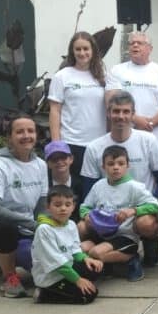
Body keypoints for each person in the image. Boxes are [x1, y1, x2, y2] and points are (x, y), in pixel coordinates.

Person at [80, 91, 158, 267]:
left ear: (133, 114)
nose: (121, 116)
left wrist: (145, 207)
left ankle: (148, 244)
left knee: (145, 223)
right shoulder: (94, 147)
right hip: (108, 212)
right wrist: (92, 216)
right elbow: (88, 189)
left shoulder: (147, 140)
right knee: (82, 226)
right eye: (116, 111)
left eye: (126, 112)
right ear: (108, 113)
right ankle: (108, 256)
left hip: (140, 209)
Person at [0, 116, 48, 298]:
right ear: (9, 138)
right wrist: (31, 224)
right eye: (19, 132)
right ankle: (9, 277)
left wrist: (45, 225)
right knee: (6, 227)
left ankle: (2, 258)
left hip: (24, 228)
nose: (26, 136)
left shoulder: (41, 165)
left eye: (30, 131)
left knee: (40, 261)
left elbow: (41, 205)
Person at [78, 145, 158, 282]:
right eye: (110, 164)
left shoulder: (135, 187)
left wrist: (134, 210)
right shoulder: (99, 186)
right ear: (103, 167)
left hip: (124, 236)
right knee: (81, 248)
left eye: (121, 163)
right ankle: (109, 266)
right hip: (102, 233)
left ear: (127, 165)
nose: (116, 167)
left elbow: (156, 206)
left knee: (94, 253)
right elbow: (84, 207)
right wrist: (87, 215)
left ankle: (130, 257)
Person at [47, 31, 110, 193]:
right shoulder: (62, 76)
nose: (82, 53)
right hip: (71, 143)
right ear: (72, 52)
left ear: (93, 50)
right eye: (78, 49)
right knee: (72, 191)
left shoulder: (103, 77)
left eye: (86, 49)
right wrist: (57, 144)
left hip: (98, 144)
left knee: (95, 189)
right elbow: (55, 110)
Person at [32, 185, 102, 305]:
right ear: (48, 207)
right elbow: (56, 263)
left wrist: (86, 258)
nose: (63, 208)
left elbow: (75, 250)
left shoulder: (70, 224)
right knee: (88, 295)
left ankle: (69, 284)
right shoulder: (44, 229)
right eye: (57, 205)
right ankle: (43, 294)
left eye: (67, 205)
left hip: (67, 266)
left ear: (73, 207)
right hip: (51, 276)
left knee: (95, 268)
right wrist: (78, 280)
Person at [106, 31, 158, 146]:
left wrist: (151, 123)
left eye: (140, 43)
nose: (135, 45)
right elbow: (111, 101)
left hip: (153, 139)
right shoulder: (116, 71)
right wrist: (134, 119)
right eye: (131, 43)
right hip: (123, 140)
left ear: (150, 48)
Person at [44, 141, 77, 221]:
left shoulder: (79, 184)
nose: (59, 161)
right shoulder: (43, 183)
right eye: (54, 159)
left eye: (63, 157)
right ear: (48, 163)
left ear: (71, 159)